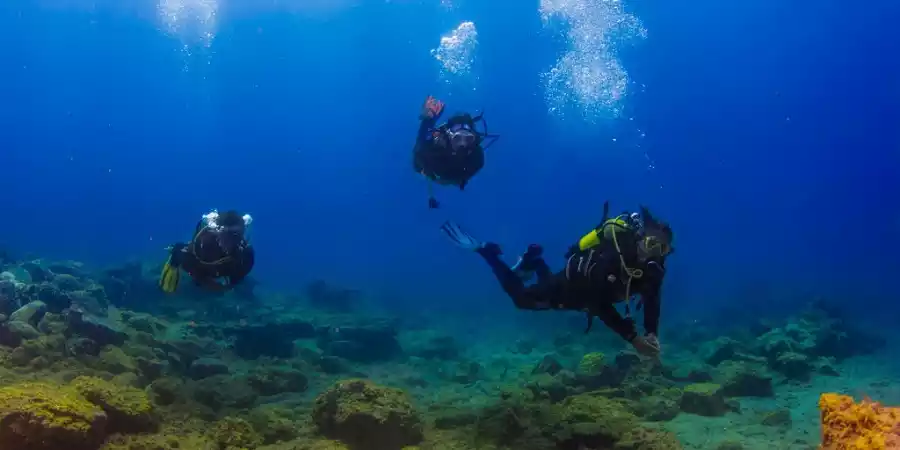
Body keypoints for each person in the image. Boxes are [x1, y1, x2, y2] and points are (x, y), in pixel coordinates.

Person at [440, 202, 673, 357]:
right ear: (639, 239)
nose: (654, 254)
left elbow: (653, 299)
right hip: (572, 287)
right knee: (521, 300)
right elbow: (598, 303)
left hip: (581, 294)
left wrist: (651, 333)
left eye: (662, 249)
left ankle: (535, 263)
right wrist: (633, 339)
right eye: (652, 245)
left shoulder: (653, 270)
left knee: (545, 286)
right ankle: (486, 252)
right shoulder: (614, 258)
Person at [413, 95, 499, 208]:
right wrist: (427, 121)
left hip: (451, 177)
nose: (463, 145)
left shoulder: (477, 157)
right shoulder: (437, 148)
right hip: (440, 175)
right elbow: (418, 154)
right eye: (457, 139)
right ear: (448, 137)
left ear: (474, 140)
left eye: (468, 139)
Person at [159, 209, 255, 294]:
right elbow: (189, 264)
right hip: (201, 270)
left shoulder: (246, 254)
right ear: (217, 233)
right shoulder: (205, 243)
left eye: (236, 235)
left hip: (220, 274)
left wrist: (229, 284)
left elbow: (240, 275)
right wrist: (207, 283)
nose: (231, 240)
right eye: (226, 234)